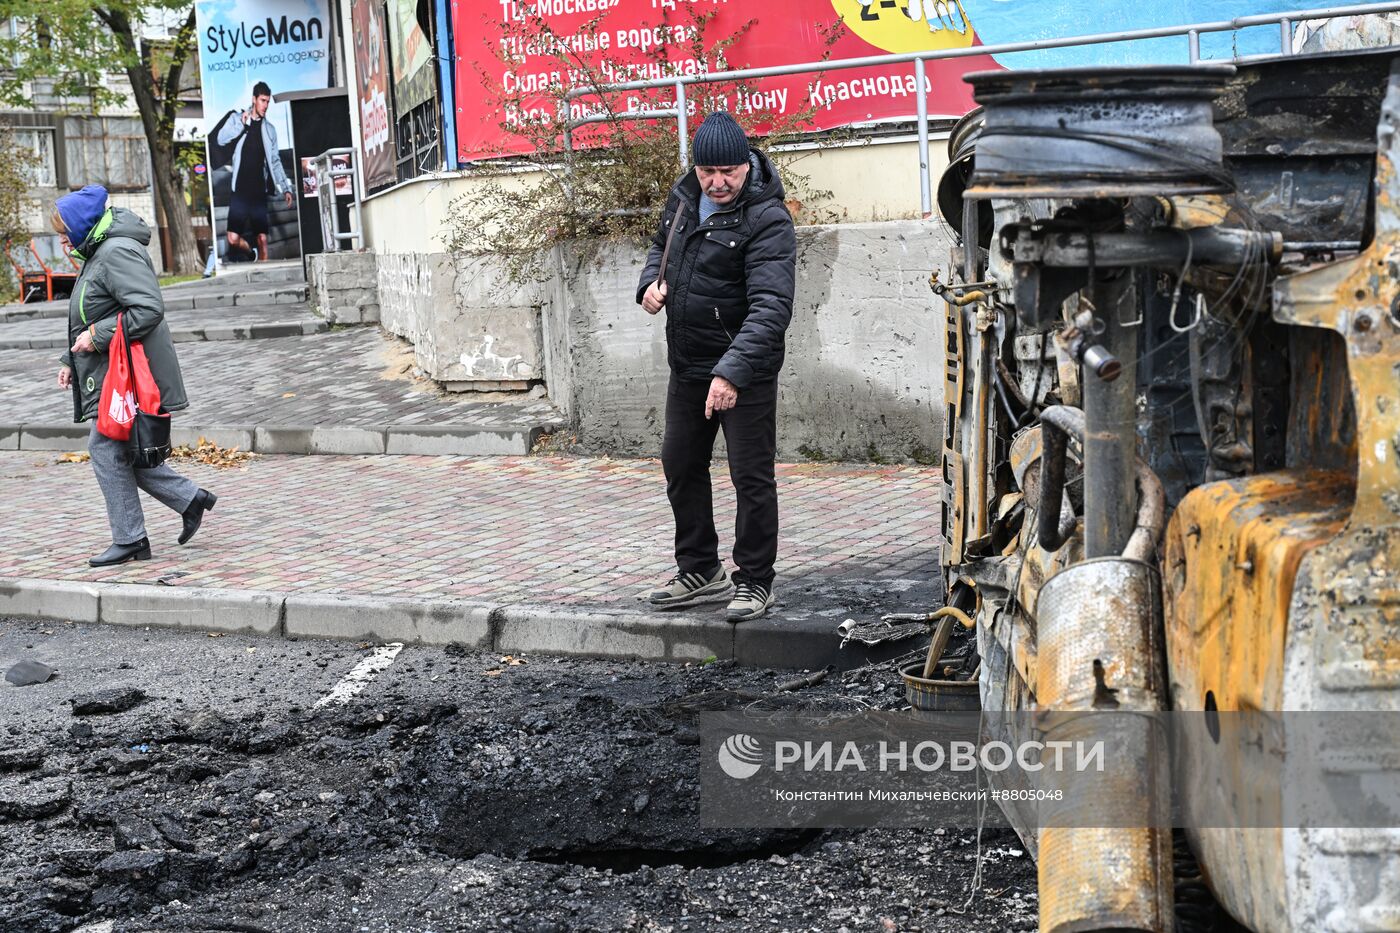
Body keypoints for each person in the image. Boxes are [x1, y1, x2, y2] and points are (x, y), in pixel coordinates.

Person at [637, 112, 797, 623]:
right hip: (688, 366)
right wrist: (648, 284)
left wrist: (731, 373)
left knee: (751, 477)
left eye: (728, 171)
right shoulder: (685, 198)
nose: (718, 182)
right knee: (680, 464)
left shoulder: (768, 220)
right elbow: (660, 247)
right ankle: (701, 570)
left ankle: (755, 581)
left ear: (747, 165)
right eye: (709, 172)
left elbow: (771, 306)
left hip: (743, 372)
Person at [54, 185, 218, 567]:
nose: (61, 239)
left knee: (105, 449)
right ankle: (190, 499)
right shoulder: (98, 254)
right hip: (112, 372)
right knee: (126, 450)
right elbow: (89, 312)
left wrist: (95, 336)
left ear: (82, 225)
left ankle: (131, 539)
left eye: (64, 231)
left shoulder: (116, 252)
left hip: (128, 375)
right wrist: (69, 358)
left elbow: (147, 309)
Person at [215, 81, 294, 262]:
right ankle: (251, 254)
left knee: (262, 239)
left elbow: (275, 161)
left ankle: (266, 279)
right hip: (240, 191)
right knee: (232, 239)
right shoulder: (237, 119)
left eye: (267, 102)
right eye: (263, 101)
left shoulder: (270, 130)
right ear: (254, 99)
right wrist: (240, 126)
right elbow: (221, 139)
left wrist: (286, 187)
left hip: (259, 191)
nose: (265, 106)